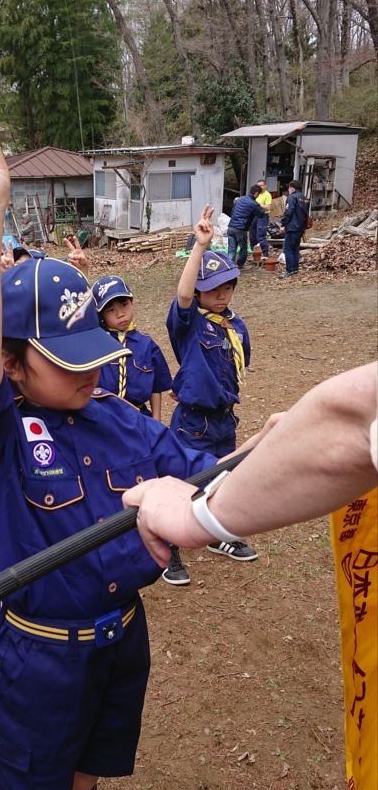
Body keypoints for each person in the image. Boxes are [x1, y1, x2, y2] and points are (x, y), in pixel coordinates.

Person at [0, 103, 220, 790]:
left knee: (87, 774)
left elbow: (200, 477)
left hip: (118, 639)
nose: (92, 366)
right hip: (36, 660)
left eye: (93, 347)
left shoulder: (118, 417)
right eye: (65, 356)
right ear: (17, 364)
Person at [123, 360, 377, 562]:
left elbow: (205, 472)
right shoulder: (120, 413)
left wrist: (259, 443)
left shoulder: (125, 421)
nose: (92, 375)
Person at [163, 205, 258, 586]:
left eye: (226, 287)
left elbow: (237, 366)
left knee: (223, 478)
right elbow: (183, 297)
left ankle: (220, 536)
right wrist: (200, 248)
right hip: (193, 420)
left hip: (223, 417)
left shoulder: (236, 326)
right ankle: (169, 549)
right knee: (183, 479)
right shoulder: (189, 325)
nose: (221, 295)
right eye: (212, 289)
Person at [92, 275, 172, 421]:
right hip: (104, 418)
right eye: (110, 310)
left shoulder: (146, 344)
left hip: (139, 417)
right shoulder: (97, 342)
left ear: (132, 302)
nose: (120, 314)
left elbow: (156, 387)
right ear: (101, 315)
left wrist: (156, 419)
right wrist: (82, 270)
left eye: (124, 304)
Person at [227, 186, 267, 267]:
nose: (258, 196)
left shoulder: (240, 199)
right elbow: (261, 214)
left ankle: (229, 267)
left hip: (231, 227)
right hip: (241, 229)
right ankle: (240, 264)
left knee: (231, 249)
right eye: (258, 194)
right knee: (243, 248)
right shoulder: (254, 204)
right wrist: (262, 207)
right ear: (256, 193)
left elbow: (232, 211)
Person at [278, 179, 309, 278]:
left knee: (288, 249)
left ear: (292, 188)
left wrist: (283, 224)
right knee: (295, 248)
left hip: (292, 226)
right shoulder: (304, 198)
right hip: (301, 227)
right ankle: (295, 269)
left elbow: (289, 212)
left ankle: (289, 270)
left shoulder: (292, 197)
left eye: (289, 188)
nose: (288, 190)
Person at [249, 179, 272, 258]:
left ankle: (265, 253)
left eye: (261, 185)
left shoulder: (267, 195)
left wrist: (258, 205)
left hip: (262, 216)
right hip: (254, 216)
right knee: (252, 235)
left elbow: (268, 207)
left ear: (265, 186)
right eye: (258, 185)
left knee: (261, 235)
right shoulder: (255, 194)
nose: (260, 187)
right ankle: (254, 253)